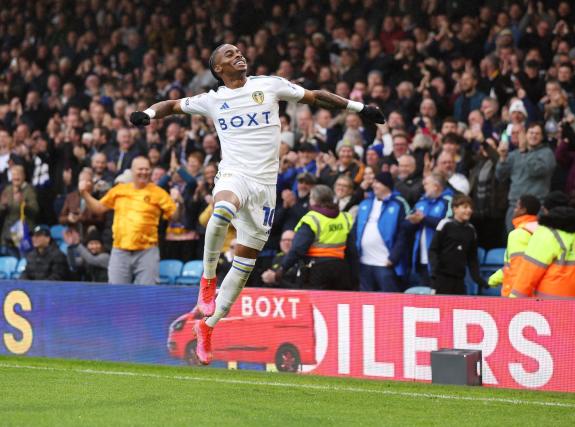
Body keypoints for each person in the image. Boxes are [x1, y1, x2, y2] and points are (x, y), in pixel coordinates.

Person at [129, 43, 385, 364]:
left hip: (265, 187)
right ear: (218, 69)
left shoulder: (269, 85)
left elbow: (315, 96)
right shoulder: (212, 100)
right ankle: (208, 283)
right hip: (235, 175)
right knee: (221, 211)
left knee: (244, 265)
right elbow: (171, 104)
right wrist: (148, 114)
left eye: (238, 51)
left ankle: (207, 327)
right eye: (228, 54)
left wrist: (360, 109)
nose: (238, 55)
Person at [79, 156, 178, 285]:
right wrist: (84, 193)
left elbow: (174, 216)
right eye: (140, 169)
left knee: (147, 293)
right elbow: (98, 208)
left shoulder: (159, 193)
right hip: (120, 250)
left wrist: (177, 202)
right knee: (117, 293)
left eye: (147, 169)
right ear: (132, 171)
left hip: (147, 251)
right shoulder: (119, 190)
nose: (144, 172)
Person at [510, 191, 575, 299]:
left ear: (546, 210)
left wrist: (514, 301)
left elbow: (529, 271)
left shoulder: (546, 232)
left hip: (549, 306)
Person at [266, 185, 356, 291]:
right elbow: (352, 250)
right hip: (341, 269)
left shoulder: (311, 219)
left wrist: (281, 270)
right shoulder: (345, 217)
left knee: (314, 306)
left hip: (317, 271)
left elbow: (297, 249)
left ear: (313, 200)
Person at [496, 122, 556, 231]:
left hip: (535, 209)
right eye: (531, 132)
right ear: (525, 135)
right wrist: (502, 158)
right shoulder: (514, 154)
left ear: (542, 137)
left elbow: (536, 171)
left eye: (537, 133)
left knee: (532, 243)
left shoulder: (547, 154)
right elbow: (500, 176)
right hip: (515, 207)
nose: (534, 135)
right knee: (513, 243)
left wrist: (524, 152)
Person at [354, 172, 408, 292]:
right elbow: (355, 230)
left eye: (377, 182)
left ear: (386, 185)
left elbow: (403, 235)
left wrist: (393, 258)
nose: (373, 185)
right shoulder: (365, 203)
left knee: (389, 302)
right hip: (364, 261)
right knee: (366, 302)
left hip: (384, 263)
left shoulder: (398, 204)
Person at [428, 194, 488, 295]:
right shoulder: (445, 224)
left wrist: (477, 278)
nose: (469, 210)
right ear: (455, 209)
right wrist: (434, 273)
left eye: (470, 208)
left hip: (460, 280)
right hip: (441, 279)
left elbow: (472, 258)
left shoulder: (471, 230)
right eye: (465, 207)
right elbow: (433, 249)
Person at [488, 194, 540, 297]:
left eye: (516, 207)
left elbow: (518, 268)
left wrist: (514, 294)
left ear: (523, 210)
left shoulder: (518, 234)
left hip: (517, 296)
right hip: (536, 293)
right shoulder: (542, 231)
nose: (514, 210)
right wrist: (494, 278)